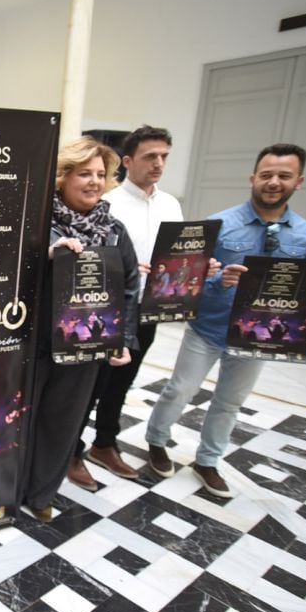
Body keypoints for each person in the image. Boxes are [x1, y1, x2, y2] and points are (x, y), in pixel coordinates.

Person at [145, 143, 306, 498]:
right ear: (253, 178)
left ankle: (208, 461)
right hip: (208, 327)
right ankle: (157, 441)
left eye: (283, 176)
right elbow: (190, 279)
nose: (273, 182)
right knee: (180, 389)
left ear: (298, 181)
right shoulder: (221, 224)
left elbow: (302, 292)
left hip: (256, 336)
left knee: (229, 402)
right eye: (266, 175)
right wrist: (217, 279)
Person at [21, 137, 140, 522]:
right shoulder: (34, 222)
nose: (94, 181)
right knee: (21, 418)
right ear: (62, 178)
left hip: (83, 348)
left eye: (101, 174)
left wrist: (122, 337)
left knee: (63, 423)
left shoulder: (114, 231)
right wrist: (47, 255)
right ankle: (9, 489)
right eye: (84, 173)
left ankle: (41, 494)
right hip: (32, 342)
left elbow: (129, 287)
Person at [68, 126, 184, 490]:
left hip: (149, 306)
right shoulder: (109, 203)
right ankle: (72, 450)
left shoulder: (170, 204)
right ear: (130, 161)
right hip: (102, 311)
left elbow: (179, 255)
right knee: (91, 385)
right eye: (151, 156)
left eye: (164, 156)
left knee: (122, 381)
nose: (159, 163)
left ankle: (105, 443)